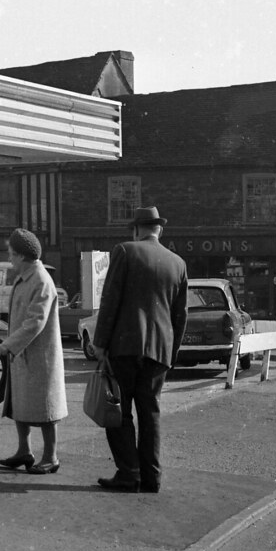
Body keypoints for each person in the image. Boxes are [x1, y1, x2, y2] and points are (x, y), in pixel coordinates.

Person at [91, 206, 188, 494]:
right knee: (151, 414)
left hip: (125, 346)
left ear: (136, 229)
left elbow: (110, 300)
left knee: (118, 412)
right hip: (159, 351)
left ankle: (128, 473)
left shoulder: (124, 251)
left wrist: (99, 343)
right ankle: (151, 477)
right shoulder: (178, 263)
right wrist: (172, 353)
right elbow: (180, 315)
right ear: (160, 230)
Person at [0, 228, 68, 474]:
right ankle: (24, 450)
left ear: (23, 256)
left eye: (12, 255)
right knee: (20, 403)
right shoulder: (25, 276)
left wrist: (8, 345)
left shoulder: (41, 281)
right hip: (23, 355)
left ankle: (51, 456)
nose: (9, 259)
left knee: (47, 408)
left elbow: (35, 322)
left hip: (40, 357)